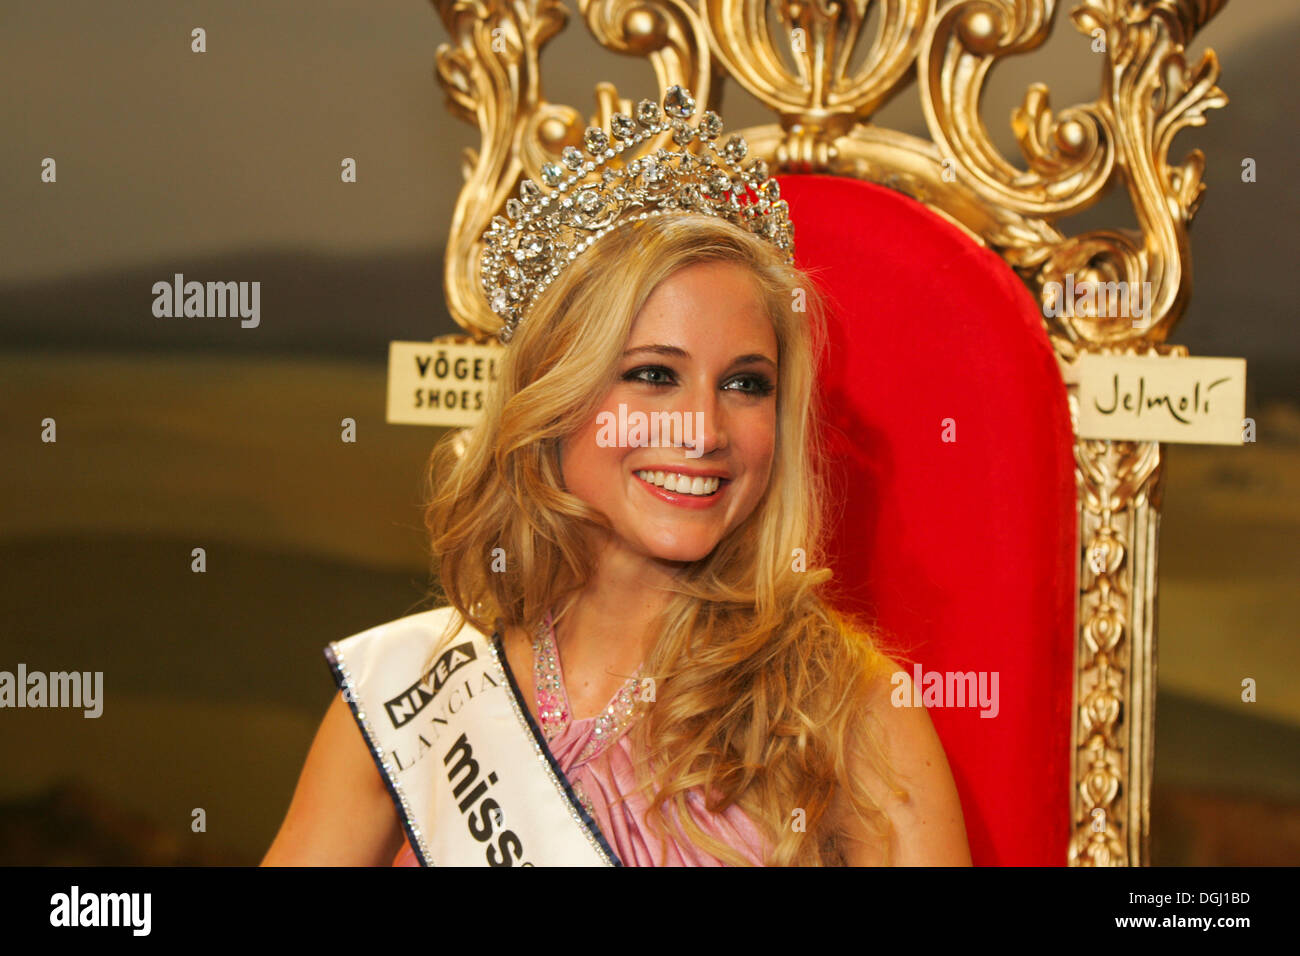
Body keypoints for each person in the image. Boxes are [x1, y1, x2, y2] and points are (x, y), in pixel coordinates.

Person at [262, 85, 969, 867]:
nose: (702, 431)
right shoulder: (417, 694)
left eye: (745, 384)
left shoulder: (850, 716)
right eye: (653, 375)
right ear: (554, 395)